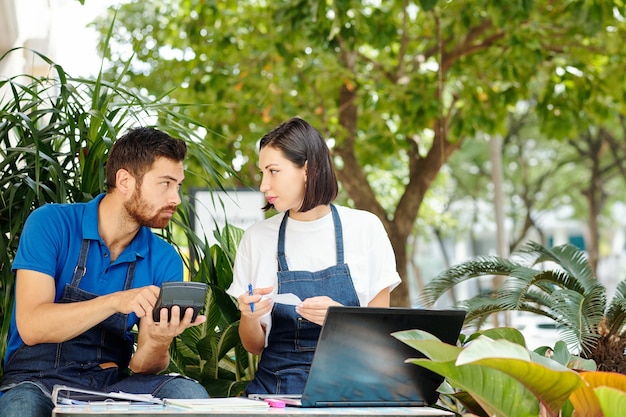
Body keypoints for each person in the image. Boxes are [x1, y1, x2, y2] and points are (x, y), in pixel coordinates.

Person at [0, 127, 209, 417]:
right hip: (35, 381)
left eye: (178, 185)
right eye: (165, 184)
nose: (175, 198)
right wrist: (115, 301)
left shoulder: (165, 258)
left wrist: (159, 341)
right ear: (125, 180)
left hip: (111, 383)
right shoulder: (51, 223)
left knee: (190, 394)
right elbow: (32, 326)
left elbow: (140, 367)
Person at [227, 117, 401, 395]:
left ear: (307, 169)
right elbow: (253, 346)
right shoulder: (257, 238)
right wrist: (249, 317)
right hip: (278, 390)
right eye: (262, 173)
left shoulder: (366, 228)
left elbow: (380, 335)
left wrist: (339, 318)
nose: (263, 185)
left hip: (353, 389)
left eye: (273, 171)